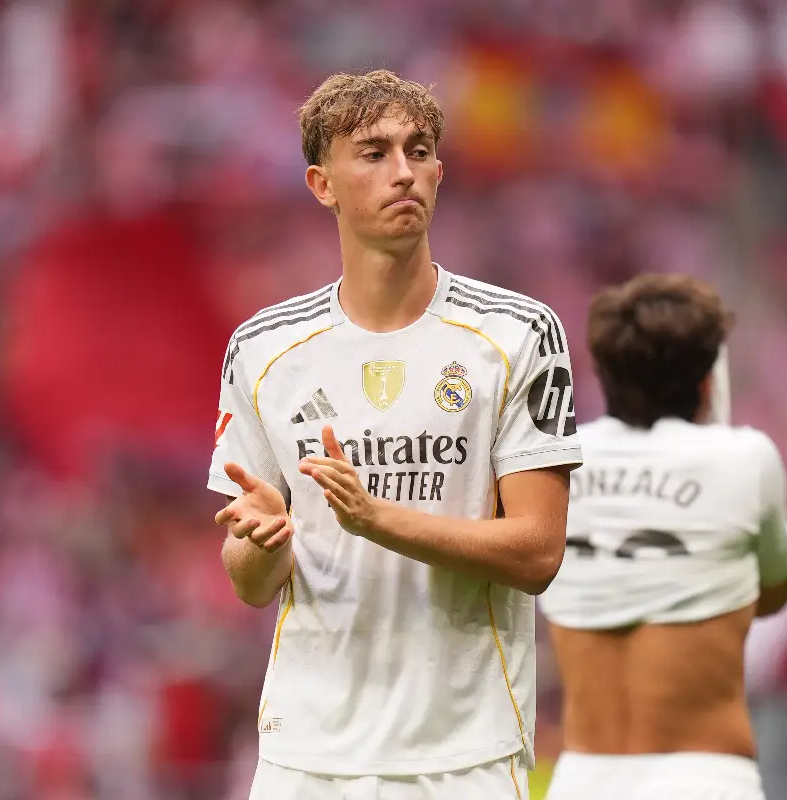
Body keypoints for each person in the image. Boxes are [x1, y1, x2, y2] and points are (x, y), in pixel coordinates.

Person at [207, 69, 582, 799]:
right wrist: (259, 544)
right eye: (373, 154)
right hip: (306, 757)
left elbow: (538, 552)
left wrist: (375, 518)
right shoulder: (263, 350)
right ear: (323, 184)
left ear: (440, 172)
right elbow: (252, 585)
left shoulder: (518, 334)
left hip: (464, 754)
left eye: (418, 151)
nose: (402, 171)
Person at [538, 274, 787, 800]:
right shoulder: (745, 459)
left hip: (583, 779)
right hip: (703, 780)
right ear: (706, 381)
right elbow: (775, 590)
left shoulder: (553, 462)